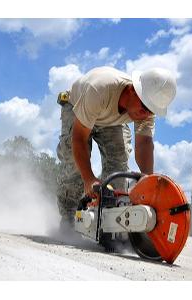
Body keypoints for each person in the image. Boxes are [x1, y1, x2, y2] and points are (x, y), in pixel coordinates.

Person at [56, 66, 177, 245]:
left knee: (118, 166)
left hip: (111, 119)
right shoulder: (99, 89)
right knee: (75, 167)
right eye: (144, 108)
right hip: (78, 106)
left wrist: (148, 183)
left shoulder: (147, 109)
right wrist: (89, 179)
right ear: (132, 90)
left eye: (151, 111)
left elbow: (144, 144)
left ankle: (109, 226)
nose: (146, 114)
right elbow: (79, 139)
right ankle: (68, 221)